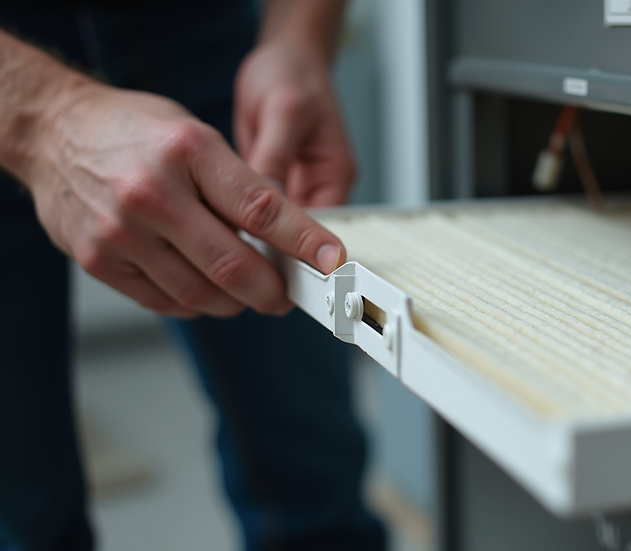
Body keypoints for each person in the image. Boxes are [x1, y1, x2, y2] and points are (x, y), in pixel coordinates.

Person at [0, 0, 386, 549]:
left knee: (314, 473)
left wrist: (299, 37)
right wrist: (45, 119)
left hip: (207, 32)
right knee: (25, 514)